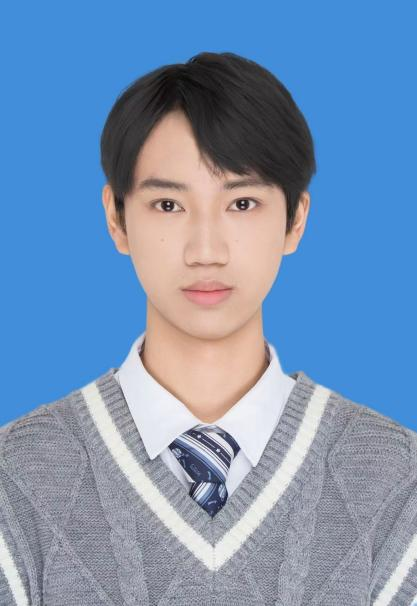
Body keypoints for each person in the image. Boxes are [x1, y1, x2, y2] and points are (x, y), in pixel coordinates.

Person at [1, 51, 416, 606]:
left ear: (296, 219)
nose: (205, 250)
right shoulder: (18, 480)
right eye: (168, 205)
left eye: (242, 203)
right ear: (116, 217)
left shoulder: (395, 481)